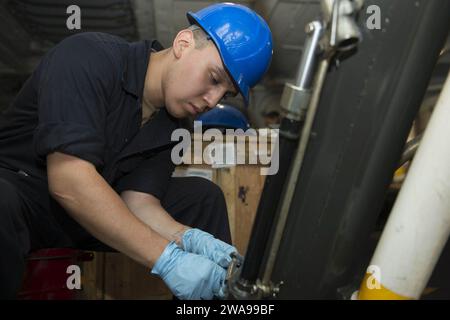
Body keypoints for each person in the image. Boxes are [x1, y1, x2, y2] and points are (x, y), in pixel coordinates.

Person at [0, 3, 272, 299]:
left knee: (202, 198)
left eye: (225, 94)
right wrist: (167, 258)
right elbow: (69, 181)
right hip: (26, 199)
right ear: (183, 43)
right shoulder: (88, 56)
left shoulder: (176, 120)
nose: (212, 99)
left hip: (86, 214)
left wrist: (188, 239)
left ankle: (218, 295)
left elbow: (139, 202)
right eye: (215, 79)